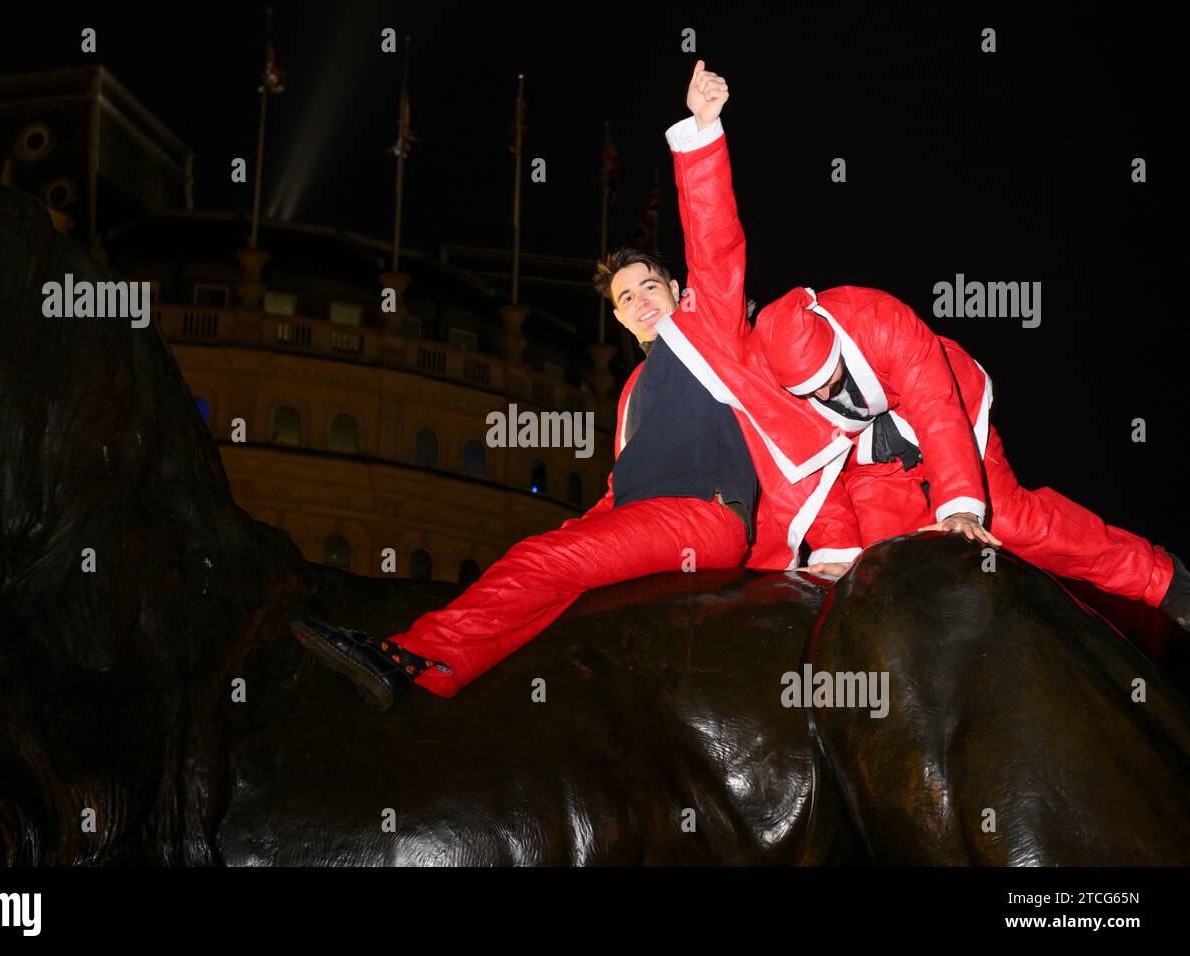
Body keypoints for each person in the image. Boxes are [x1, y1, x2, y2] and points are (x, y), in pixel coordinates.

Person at [292, 61, 862, 710]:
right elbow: (621, 490)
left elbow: (716, 244)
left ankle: (416, 657)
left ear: (677, 292)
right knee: (546, 563)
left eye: (651, 285)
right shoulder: (632, 393)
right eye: (627, 296)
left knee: (543, 563)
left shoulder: (710, 329)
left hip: (703, 517)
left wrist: (703, 132)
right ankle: (449, 675)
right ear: (618, 318)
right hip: (641, 517)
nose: (642, 299)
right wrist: (575, 529)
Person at [753, 279, 1190, 631]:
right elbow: (807, 471)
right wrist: (838, 549)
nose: (828, 395)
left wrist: (962, 506)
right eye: (813, 392)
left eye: (832, 379)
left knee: (1010, 522)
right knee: (884, 566)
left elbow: (936, 408)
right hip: (871, 462)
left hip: (945, 410)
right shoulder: (767, 380)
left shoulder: (880, 319)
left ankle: (1162, 578)